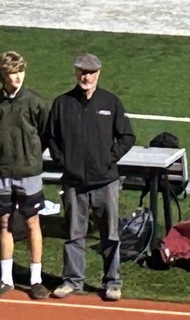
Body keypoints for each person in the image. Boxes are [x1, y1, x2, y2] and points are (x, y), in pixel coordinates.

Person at [47, 53, 135, 302]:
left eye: (91, 72)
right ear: (75, 73)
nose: (86, 77)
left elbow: (127, 136)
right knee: (74, 235)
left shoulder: (110, 101)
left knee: (110, 235)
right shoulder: (62, 103)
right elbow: (51, 138)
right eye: (82, 72)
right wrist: (63, 162)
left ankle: (112, 282)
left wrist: (109, 158)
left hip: (105, 181)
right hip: (74, 183)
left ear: (99, 73)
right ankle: (72, 280)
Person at [0, 51, 50, 299]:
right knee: (4, 223)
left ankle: (35, 279)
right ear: (2, 75)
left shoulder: (35, 102)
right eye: (12, 72)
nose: (17, 76)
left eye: (20, 70)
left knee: (33, 222)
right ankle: (6, 279)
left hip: (29, 171)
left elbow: (44, 133)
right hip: (2, 171)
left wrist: (30, 154)